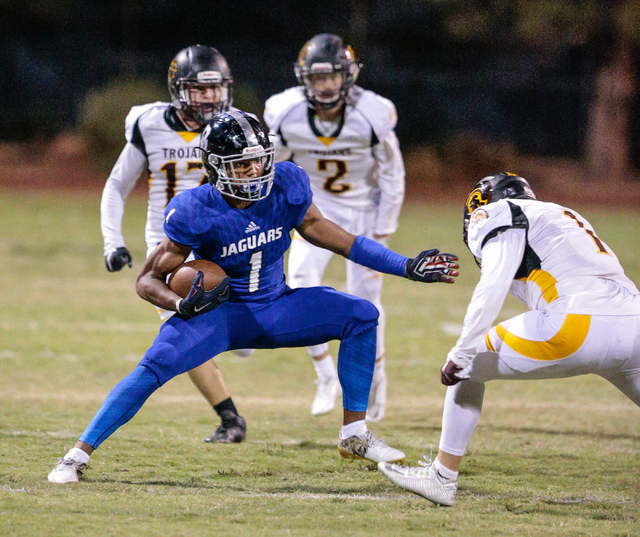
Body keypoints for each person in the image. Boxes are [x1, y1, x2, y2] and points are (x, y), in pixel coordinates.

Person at [48, 111, 459, 484]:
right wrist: (179, 305)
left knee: (362, 315)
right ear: (214, 167)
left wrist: (404, 266)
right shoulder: (194, 208)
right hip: (220, 313)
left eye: (259, 158)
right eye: (241, 163)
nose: (254, 169)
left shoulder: (287, 183)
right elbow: (147, 279)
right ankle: (76, 456)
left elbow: (340, 238)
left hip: (277, 307)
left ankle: (354, 435)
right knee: (153, 367)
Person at [379, 172, 640, 506]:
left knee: (470, 364)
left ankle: (442, 477)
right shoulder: (562, 214)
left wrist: (462, 351)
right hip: (632, 323)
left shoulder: (497, 213)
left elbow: (494, 283)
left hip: (577, 324)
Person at [100, 45, 250, 444]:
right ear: (178, 90)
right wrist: (111, 241)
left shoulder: (234, 126)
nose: (211, 98)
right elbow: (118, 184)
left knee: (238, 322)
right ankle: (231, 418)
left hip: (219, 238)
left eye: (216, 89)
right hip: (167, 243)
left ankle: (239, 338)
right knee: (179, 325)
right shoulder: (147, 122)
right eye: (200, 90)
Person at [264, 34, 405, 422]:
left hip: (361, 212)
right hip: (314, 214)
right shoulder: (285, 112)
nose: (325, 86)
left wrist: (383, 229)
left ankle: (375, 379)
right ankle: (326, 376)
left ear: (349, 76)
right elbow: (274, 169)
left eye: (333, 77)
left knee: (367, 301)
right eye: (318, 77)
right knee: (301, 285)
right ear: (303, 78)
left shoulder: (372, 113)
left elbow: (393, 175)